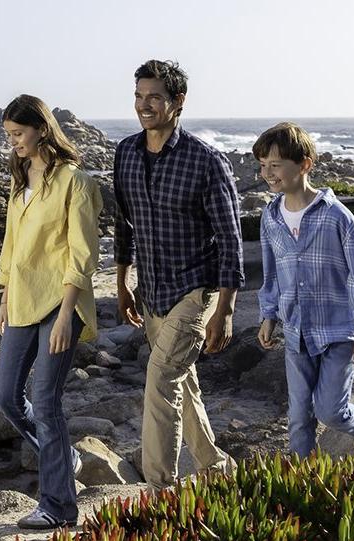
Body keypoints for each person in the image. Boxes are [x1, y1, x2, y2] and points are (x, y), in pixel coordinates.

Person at [113, 60, 240, 490]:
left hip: (194, 290)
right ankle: (217, 468)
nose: (144, 105)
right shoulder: (126, 153)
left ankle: (159, 491)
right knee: (183, 387)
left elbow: (230, 239)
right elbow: (124, 224)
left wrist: (224, 309)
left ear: (177, 101)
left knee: (161, 380)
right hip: (151, 291)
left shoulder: (206, 162)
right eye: (138, 96)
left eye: (154, 97)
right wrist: (122, 284)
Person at [0, 94, 103, 529]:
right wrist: (4, 296)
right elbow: (11, 244)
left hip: (62, 304)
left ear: (41, 128)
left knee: (46, 400)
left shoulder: (75, 182)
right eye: (8, 136)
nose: (14, 143)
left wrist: (65, 314)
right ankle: (66, 456)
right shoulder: (20, 179)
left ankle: (58, 507)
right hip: (22, 300)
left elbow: (82, 252)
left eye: (18, 134)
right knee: (6, 397)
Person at [254, 122, 354, 457]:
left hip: (339, 331)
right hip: (296, 332)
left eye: (276, 165)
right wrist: (268, 315)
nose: (268, 173)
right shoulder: (270, 217)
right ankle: (303, 483)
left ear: (304, 165)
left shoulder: (336, 216)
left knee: (330, 411)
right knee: (298, 418)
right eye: (263, 165)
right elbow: (271, 274)